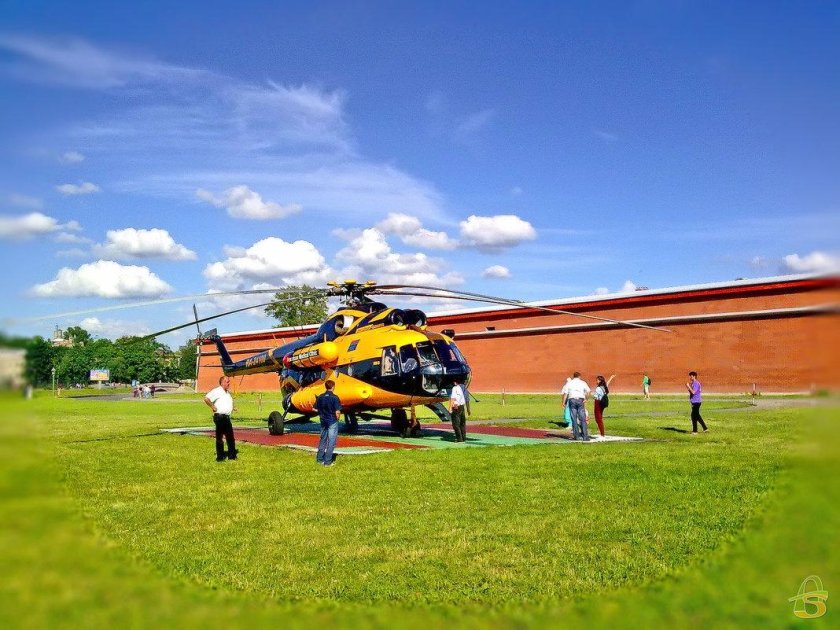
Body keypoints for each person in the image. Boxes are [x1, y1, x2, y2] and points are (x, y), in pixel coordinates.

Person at [204, 375, 238, 462]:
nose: (229, 383)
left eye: (229, 381)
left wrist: (233, 408)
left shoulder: (227, 393)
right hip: (219, 417)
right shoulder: (217, 391)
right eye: (227, 382)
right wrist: (212, 406)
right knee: (220, 437)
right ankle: (220, 457)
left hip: (226, 417)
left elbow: (226, 402)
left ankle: (232, 456)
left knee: (230, 437)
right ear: (222, 382)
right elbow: (206, 398)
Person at [314, 379, 342, 466]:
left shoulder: (320, 397)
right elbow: (337, 411)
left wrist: (321, 412)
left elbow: (314, 408)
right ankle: (328, 461)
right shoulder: (335, 397)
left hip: (323, 420)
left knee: (323, 440)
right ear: (333, 387)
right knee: (331, 441)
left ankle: (319, 459)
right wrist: (337, 419)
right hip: (332, 420)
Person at [562, 371, 591, 441]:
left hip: (572, 400)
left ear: (573, 376)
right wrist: (586, 399)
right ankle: (585, 436)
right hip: (580, 400)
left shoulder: (569, 383)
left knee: (574, 418)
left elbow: (565, 393)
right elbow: (589, 391)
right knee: (582, 418)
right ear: (579, 376)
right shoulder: (583, 382)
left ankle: (576, 436)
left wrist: (563, 402)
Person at [592, 374, 616, 438]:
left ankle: (602, 434)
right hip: (603, 403)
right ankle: (602, 433)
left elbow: (595, 397)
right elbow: (607, 383)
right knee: (599, 418)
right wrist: (611, 378)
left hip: (598, 403)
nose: (596, 381)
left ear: (599, 381)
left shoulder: (598, 388)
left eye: (597, 380)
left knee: (598, 419)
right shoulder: (604, 387)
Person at [449, 377, 467, 442]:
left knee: (456, 424)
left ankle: (459, 439)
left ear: (454, 382)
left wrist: (450, 408)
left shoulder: (454, 388)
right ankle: (463, 437)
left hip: (456, 407)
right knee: (462, 423)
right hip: (462, 406)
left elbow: (452, 398)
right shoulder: (460, 388)